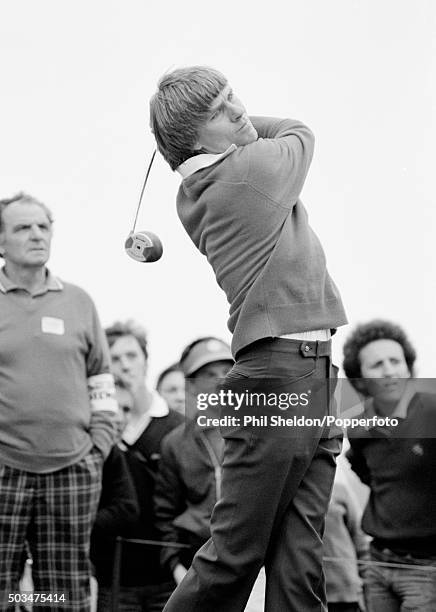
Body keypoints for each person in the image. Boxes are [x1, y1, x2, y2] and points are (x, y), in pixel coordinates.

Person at [149, 66, 347, 612]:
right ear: (191, 140)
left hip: (308, 368)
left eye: (233, 94)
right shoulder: (245, 174)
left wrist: (217, 123)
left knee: (299, 556)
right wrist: (240, 127)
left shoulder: (199, 188)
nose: (238, 109)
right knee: (236, 555)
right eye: (218, 110)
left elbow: (256, 135)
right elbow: (299, 131)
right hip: (283, 370)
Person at [0, 192, 119, 611]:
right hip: (4, 471)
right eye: (22, 227)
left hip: (73, 471)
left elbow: (102, 380)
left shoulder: (79, 302)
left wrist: (98, 447)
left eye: (43, 226)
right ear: (1, 242)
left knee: (62, 598)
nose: (36, 235)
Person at [343, 320, 436, 612]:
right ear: (360, 379)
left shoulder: (432, 411)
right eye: (377, 364)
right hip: (377, 563)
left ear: (408, 367)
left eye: (396, 361)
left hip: (426, 569)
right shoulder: (359, 428)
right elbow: (366, 472)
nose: (389, 370)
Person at [96, 321, 183, 612]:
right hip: (114, 577)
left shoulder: (176, 427)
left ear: (146, 360)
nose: (124, 365)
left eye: (132, 356)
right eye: (115, 358)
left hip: (169, 577)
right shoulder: (98, 429)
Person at [154, 338, 234, 586]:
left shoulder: (260, 433)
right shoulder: (175, 443)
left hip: (254, 559)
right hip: (195, 561)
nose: (221, 381)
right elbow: (165, 512)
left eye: (227, 371)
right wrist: (175, 565)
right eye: (209, 374)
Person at [323, 459, 369, 612]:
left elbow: (360, 538)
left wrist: (366, 587)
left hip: (345, 592)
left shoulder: (338, 490)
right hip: (305, 592)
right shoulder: (284, 494)